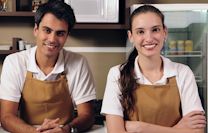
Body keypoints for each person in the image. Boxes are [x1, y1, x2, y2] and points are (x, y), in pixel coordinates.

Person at [101, 4, 206, 133]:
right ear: (131, 36)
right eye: (140, 32)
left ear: (164, 32)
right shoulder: (117, 74)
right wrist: (178, 130)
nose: (149, 38)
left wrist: (141, 128)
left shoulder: (183, 73)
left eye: (155, 29)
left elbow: (197, 130)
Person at [0, 1, 96, 133]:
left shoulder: (78, 63)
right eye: (47, 30)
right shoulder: (14, 62)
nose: (52, 39)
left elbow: (87, 115)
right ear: (36, 30)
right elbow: (6, 117)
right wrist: (34, 132)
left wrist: (66, 130)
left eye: (60, 33)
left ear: (67, 36)